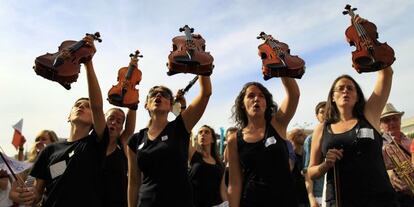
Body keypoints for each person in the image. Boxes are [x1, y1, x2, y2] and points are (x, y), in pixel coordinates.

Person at [10, 35, 109, 207]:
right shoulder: (50, 150)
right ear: (68, 116)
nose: (81, 107)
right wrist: (21, 195)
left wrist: (88, 63)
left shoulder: (96, 142)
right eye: (78, 105)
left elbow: (98, 106)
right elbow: (37, 194)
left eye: (87, 106)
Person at [307, 63, 397, 206]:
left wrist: (372, 48)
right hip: (341, 200)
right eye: (340, 88)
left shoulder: (369, 116)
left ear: (357, 96)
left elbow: (386, 74)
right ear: (332, 97)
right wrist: (325, 165)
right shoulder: (321, 129)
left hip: (379, 199)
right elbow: (311, 172)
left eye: (350, 88)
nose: (345, 91)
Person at [127, 74, 211, 207]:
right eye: (153, 94)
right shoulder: (135, 140)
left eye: (165, 94)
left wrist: (201, 66)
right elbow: (134, 181)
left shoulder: (180, 127)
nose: (158, 95)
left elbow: (205, 93)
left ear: (171, 105)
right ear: (146, 105)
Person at [227, 77, 300, 207]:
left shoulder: (278, 124)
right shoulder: (234, 139)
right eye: (251, 95)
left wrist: (281, 65)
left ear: (266, 104)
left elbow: (294, 94)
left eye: (261, 96)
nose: (256, 99)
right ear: (242, 104)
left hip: (284, 201)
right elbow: (235, 183)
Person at [102, 106, 137, 207]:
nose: (114, 123)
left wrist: (133, 105)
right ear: (102, 119)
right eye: (111, 118)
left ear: (122, 127)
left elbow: (130, 129)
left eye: (119, 121)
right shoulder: (88, 144)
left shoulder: (122, 145)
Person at [380, 103, 414, 207]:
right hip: (398, 197)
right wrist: (388, 172)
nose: (391, 122)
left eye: (395, 118)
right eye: (386, 120)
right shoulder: (378, 146)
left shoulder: (410, 141)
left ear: (400, 120)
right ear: (380, 125)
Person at [188, 125, 228, 207]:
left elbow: (222, 189)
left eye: (206, 132)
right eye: (200, 132)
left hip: (218, 204)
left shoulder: (219, 163)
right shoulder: (194, 155)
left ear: (213, 139)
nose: (203, 134)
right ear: (197, 138)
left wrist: (228, 203)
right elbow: (183, 133)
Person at [303, 101, 326, 207]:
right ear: (317, 116)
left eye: (328, 111)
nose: (325, 114)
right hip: (319, 194)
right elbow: (307, 170)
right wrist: (311, 197)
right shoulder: (311, 139)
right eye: (322, 112)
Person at [288, 128, 310, 207]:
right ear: (292, 138)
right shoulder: (290, 156)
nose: (304, 136)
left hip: (307, 194)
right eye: (300, 135)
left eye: (304, 134)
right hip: (295, 195)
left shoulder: (307, 155)